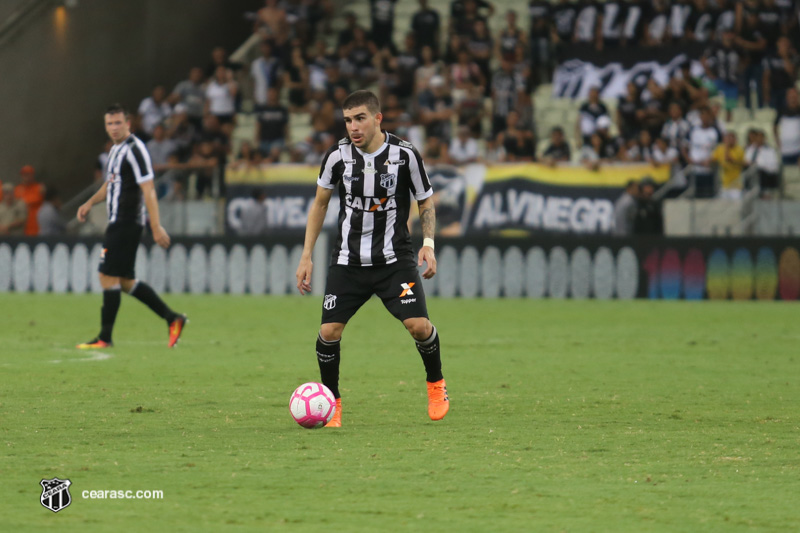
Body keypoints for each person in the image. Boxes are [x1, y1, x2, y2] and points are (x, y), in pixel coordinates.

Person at [295, 90, 448, 427]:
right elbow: (320, 204)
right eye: (348, 120)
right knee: (329, 330)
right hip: (348, 261)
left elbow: (425, 201)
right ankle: (332, 402)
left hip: (395, 261)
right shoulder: (337, 156)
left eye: (360, 118)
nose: (353, 127)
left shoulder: (405, 155)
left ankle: (436, 384)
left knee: (419, 326)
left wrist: (429, 243)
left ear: (378, 118)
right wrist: (306, 256)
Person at [75, 104, 187, 350]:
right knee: (124, 281)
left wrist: (156, 226)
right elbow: (110, 184)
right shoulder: (116, 150)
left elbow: (148, 188)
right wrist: (89, 202)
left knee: (106, 275)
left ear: (128, 123)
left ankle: (105, 337)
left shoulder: (136, 150)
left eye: (118, 123)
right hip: (119, 221)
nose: (114, 128)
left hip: (126, 222)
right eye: (109, 124)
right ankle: (173, 318)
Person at [711, 131, 746, 199]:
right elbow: (712, 160)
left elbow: (728, 158)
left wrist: (726, 146)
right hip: (724, 184)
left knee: (736, 206)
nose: (730, 140)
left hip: (736, 185)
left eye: (732, 138)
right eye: (728, 138)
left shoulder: (739, 150)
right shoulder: (719, 148)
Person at [14, 165, 45, 236]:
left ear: (32, 175)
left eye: (28, 174)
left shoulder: (39, 188)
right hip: (22, 226)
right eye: (23, 174)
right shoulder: (17, 189)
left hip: (37, 225)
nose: (25, 176)